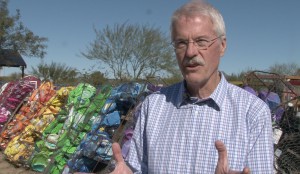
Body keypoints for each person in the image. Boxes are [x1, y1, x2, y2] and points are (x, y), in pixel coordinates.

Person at [109, 0, 274, 173]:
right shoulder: (152, 106)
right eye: (181, 43)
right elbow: (138, 168)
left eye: (201, 41)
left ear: (222, 45)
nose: (190, 52)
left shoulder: (253, 113)